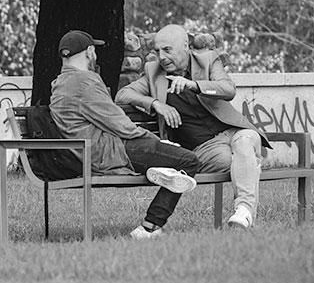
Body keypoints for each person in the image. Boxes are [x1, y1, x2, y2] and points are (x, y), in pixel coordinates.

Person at [49, 29, 202, 240]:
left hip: (90, 152)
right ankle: (150, 227)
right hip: (112, 152)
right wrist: (158, 141)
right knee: (189, 161)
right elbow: (120, 124)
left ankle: (161, 168)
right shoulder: (84, 81)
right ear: (90, 51)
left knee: (171, 158)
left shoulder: (60, 83)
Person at [116, 24, 268, 229]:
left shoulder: (208, 61)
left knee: (246, 140)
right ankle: (246, 204)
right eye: (157, 51)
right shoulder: (154, 72)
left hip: (234, 133)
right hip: (205, 149)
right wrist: (156, 104)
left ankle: (243, 210)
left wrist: (194, 85)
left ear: (185, 47)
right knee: (243, 160)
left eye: (167, 50)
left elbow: (228, 89)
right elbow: (123, 94)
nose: (161, 57)